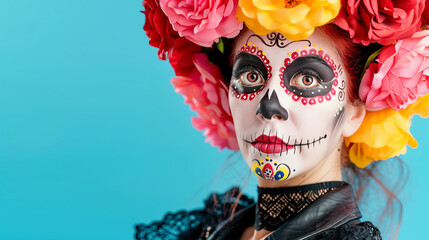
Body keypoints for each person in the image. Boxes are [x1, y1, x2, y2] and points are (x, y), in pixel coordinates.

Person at [136, 0, 429, 239]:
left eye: (306, 77)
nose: (269, 106)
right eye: (251, 76)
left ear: (355, 111)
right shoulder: (206, 229)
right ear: (226, 92)